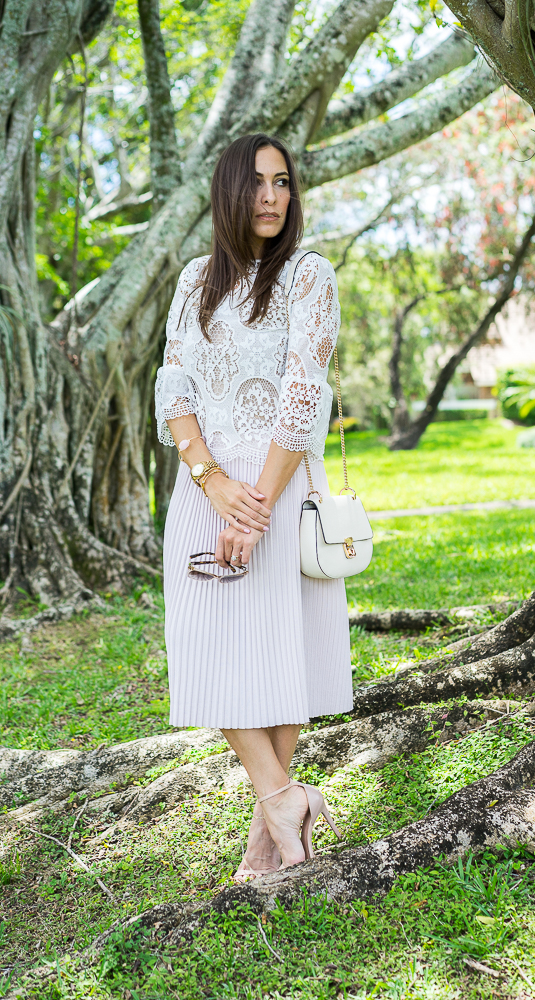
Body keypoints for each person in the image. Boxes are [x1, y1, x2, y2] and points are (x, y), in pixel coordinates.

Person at [155, 133, 352, 879]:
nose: (271, 196)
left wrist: (257, 507)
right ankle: (283, 798)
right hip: (206, 487)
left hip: (279, 482)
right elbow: (173, 387)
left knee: (279, 650)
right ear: (227, 193)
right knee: (206, 647)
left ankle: (268, 835)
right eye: (257, 183)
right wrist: (210, 480)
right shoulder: (193, 280)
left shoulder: (308, 275)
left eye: (283, 182)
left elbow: (304, 393)